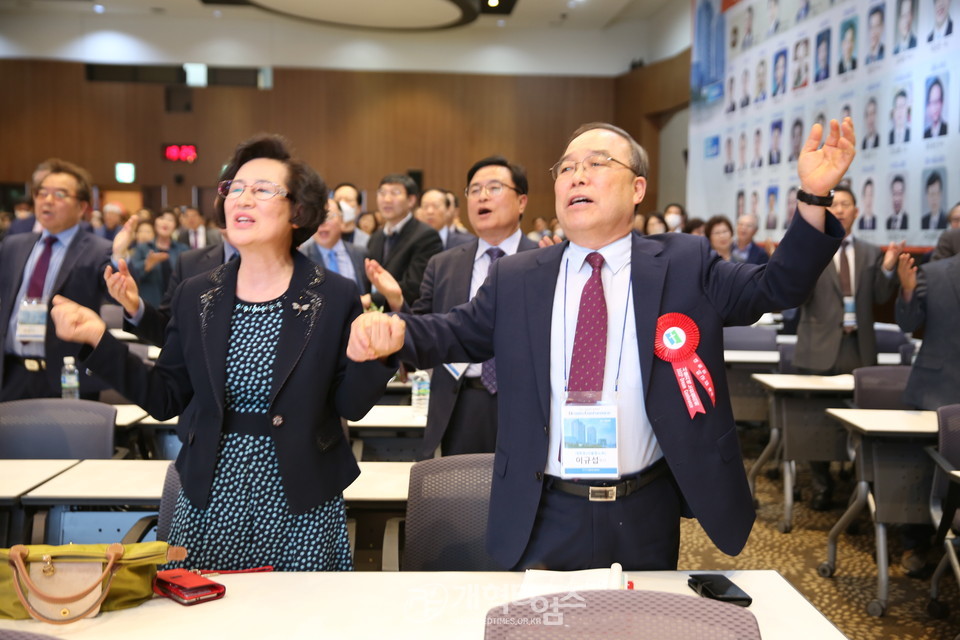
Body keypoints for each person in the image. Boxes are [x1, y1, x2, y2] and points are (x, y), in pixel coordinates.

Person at [347, 118, 853, 571]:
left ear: (637, 188)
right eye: (566, 167)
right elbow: (456, 331)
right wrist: (399, 332)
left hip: (645, 505)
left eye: (596, 163)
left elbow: (775, 288)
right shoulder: (519, 276)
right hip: (545, 505)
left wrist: (811, 200)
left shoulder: (685, 262)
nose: (577, 175)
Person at [51, 134, 396, 571]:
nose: (242, 198)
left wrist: (375, 357)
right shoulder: (199, 294)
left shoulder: (332, 294)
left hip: (301, 492)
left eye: (262, 189)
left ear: (299, 211)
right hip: (211, 488)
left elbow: (351, 405)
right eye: (235, 188)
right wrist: (98, 341)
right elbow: (166, 397)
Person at [368, 156, 538, 458]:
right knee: (463, 501)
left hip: (527, 405)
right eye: (474, 190)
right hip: (460, 404)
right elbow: (423, 338)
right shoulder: (444, 264)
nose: (482, 196)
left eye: (494, 188)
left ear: (522, 201)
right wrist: (396, 301)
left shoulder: (544, 260)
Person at [793, 185, 899, 510]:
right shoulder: (812, 249)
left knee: (859, 422)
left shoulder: (870, 252)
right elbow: (797, 296)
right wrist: (803, 260)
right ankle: (821, 486)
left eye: (846, 204)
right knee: (816, 421)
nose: (840, 209)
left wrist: (888, 267)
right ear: (826, 211)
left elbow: (881, 297)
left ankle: (857, 493)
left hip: (858, 349)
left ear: (856, 211)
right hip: (818, 347)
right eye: (834, 204)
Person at [0, 159, 116, 401]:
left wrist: (122, 258)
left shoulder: (100, 250)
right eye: (42, 193)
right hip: (12, 375)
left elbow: (116, 292)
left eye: (60, 194)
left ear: (82, 206)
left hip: (68, 378)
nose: (47, 200)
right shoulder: (13, 245)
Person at [365, 174, 443, 309]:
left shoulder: (426, 236)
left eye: (395, 193)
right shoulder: (375, 237)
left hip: (407, 316)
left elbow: (414, 286)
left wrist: (371, 299)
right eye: (382, 193)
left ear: (411, 200)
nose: (387, 199)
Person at [299, 199, 369, 293]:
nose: (322, 223)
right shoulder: (301, 259)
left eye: (328, 216)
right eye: (316, 218)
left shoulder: (360, 254)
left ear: (342, 220)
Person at [129, 209, 189, 309]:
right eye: (162, 218)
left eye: (170, 220)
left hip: (176, 305)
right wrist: (147, 265)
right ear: (155, 222)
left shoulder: (182, 249)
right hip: (150, 305)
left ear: (176, 225)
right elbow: (132, 275)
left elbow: (188, 277)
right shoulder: (143, 248)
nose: (165, 222)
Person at [332, 183, 369, 249]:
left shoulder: (368, 242)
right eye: (338, 200)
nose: (342, 204)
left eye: (348, 200)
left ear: (359, 208)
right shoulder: (318, 239)